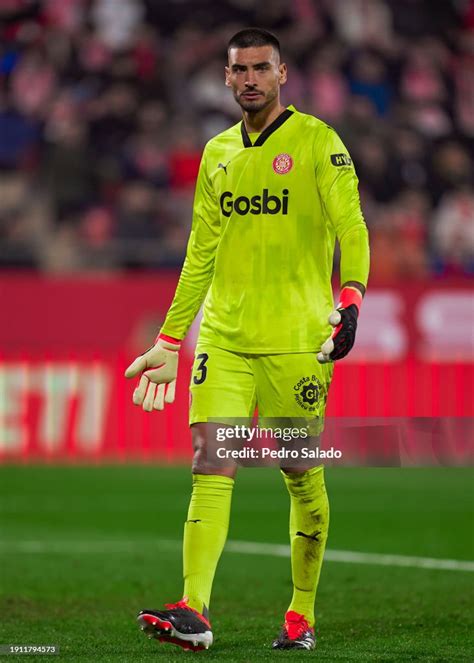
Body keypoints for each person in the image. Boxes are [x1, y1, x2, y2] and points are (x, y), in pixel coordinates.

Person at [125, 27, 369, 652]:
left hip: (297, 344)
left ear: (283, 72)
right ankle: (193, 609)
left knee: (301, 478)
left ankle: (301, 611)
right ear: (227, 77)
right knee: (212, 465)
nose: (251, 79)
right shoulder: (217, 154)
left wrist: (351, 299)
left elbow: (352, 226)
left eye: (263, 67)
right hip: (226, 342)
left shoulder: (318, 141)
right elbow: (199, 254)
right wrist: (170, 339)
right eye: (241, 70)